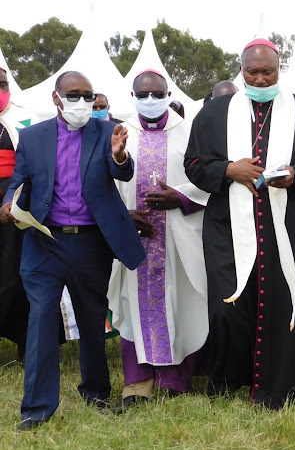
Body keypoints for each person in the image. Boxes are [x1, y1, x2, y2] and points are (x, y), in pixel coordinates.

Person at [184, 39, 295, 409]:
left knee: (286, 302)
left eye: (266, 71)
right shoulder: (214, 113)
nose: (259, 77)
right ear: (241, 70)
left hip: (285, 225)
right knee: (228, 307)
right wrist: (227, 169)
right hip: (227, 227)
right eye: (251, 71)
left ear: (278, 69)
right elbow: (193, 165)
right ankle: (230, 377)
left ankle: (287, 380)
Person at [0, 71, 145, 430]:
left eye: (87, 95)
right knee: (40, 322)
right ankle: (36, 409)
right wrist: (7, 202)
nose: (81, 103)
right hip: (44, 242)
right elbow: (19, 181)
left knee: (92, 322)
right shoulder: (33, 138)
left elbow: (121, 172)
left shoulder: (106, 131)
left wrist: (120, 156)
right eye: (73, 95)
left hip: (90, 244)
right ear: (56, 98)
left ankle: (95, 394)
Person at [108, 70, 210, 412]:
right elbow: (104, 185)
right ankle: (138, 383)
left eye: (157, 93)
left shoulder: (188, 132)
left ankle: (175, 380)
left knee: (180, 303)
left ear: (169, 94)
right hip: (135, 240)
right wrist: (124, 217)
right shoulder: (121, 133)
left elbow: (206, 179)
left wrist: (179, 199)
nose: (149, 100)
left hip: (177, 237)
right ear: (133, 95)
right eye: (143, 94)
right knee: (132, 302)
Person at [0, 66, 40, 361]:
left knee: (17, 275)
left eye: (2, 84)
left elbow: (35, 163)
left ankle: (26, 345)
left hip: (14, 206)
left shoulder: (24, 116)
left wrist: (17, 199)